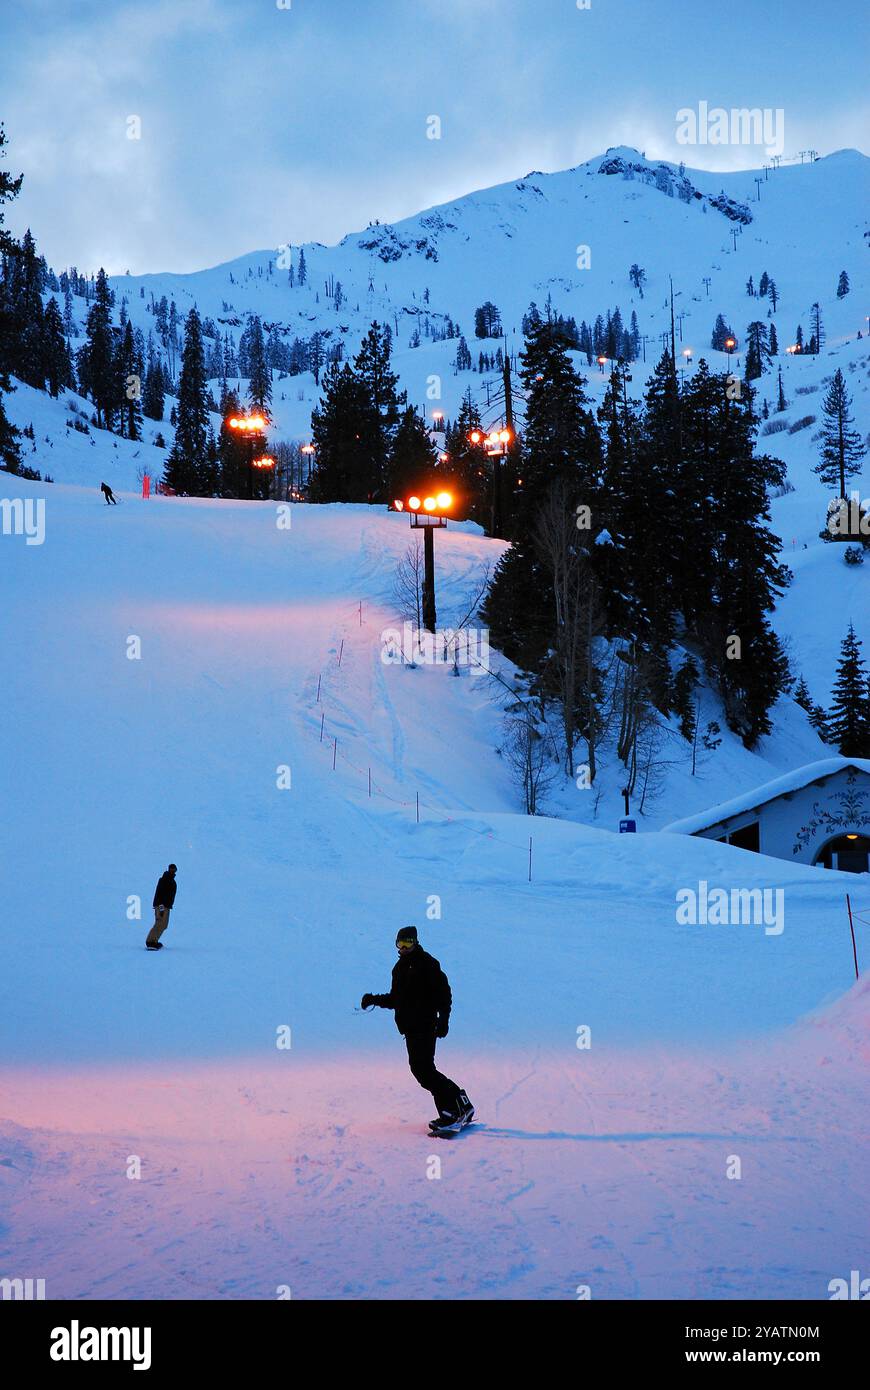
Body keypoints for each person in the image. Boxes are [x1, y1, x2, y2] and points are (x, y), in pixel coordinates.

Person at [361, 926, 473, 1129]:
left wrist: (444, 1019)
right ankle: (461, 1104)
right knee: (424, 1071)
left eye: (408, 944)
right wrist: (374, 1000)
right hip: (410, 1028)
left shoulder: (427, 963)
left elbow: (444, 993)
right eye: (400, 944)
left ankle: (450, 1114)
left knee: (424, 1071)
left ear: (416, 942)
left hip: (425, 1025)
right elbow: (397, 999)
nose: (403, 948)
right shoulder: (399, 968)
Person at [146, 864, 177, 950]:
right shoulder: (163, 879)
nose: (173, 871)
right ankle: (150, 942)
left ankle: (154, 941)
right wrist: (161, 907)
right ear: (169, 869)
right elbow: (160, 894)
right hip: (161, 905)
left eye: (174, 870)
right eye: (171, 869)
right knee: (159, 922)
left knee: (164, 925)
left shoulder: (173, 882)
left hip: (167, 906)